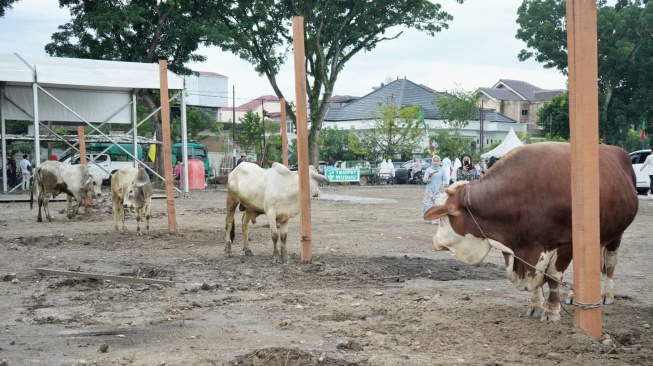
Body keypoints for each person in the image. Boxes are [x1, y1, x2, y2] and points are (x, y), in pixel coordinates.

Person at [422, 155, 448, 224]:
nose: (436, 162)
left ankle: (436, 219)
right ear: (432, 161)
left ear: (439, 162)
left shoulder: (442, 170)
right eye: (434, 161)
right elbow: (424, 180)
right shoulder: (428, 170)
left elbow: (445, 180)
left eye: (437, 161)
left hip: (439, 190)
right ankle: (428, 217)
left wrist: (443, 186)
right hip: (430, 190)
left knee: (437, 204)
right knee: (429, 204)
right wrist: (429, 177)